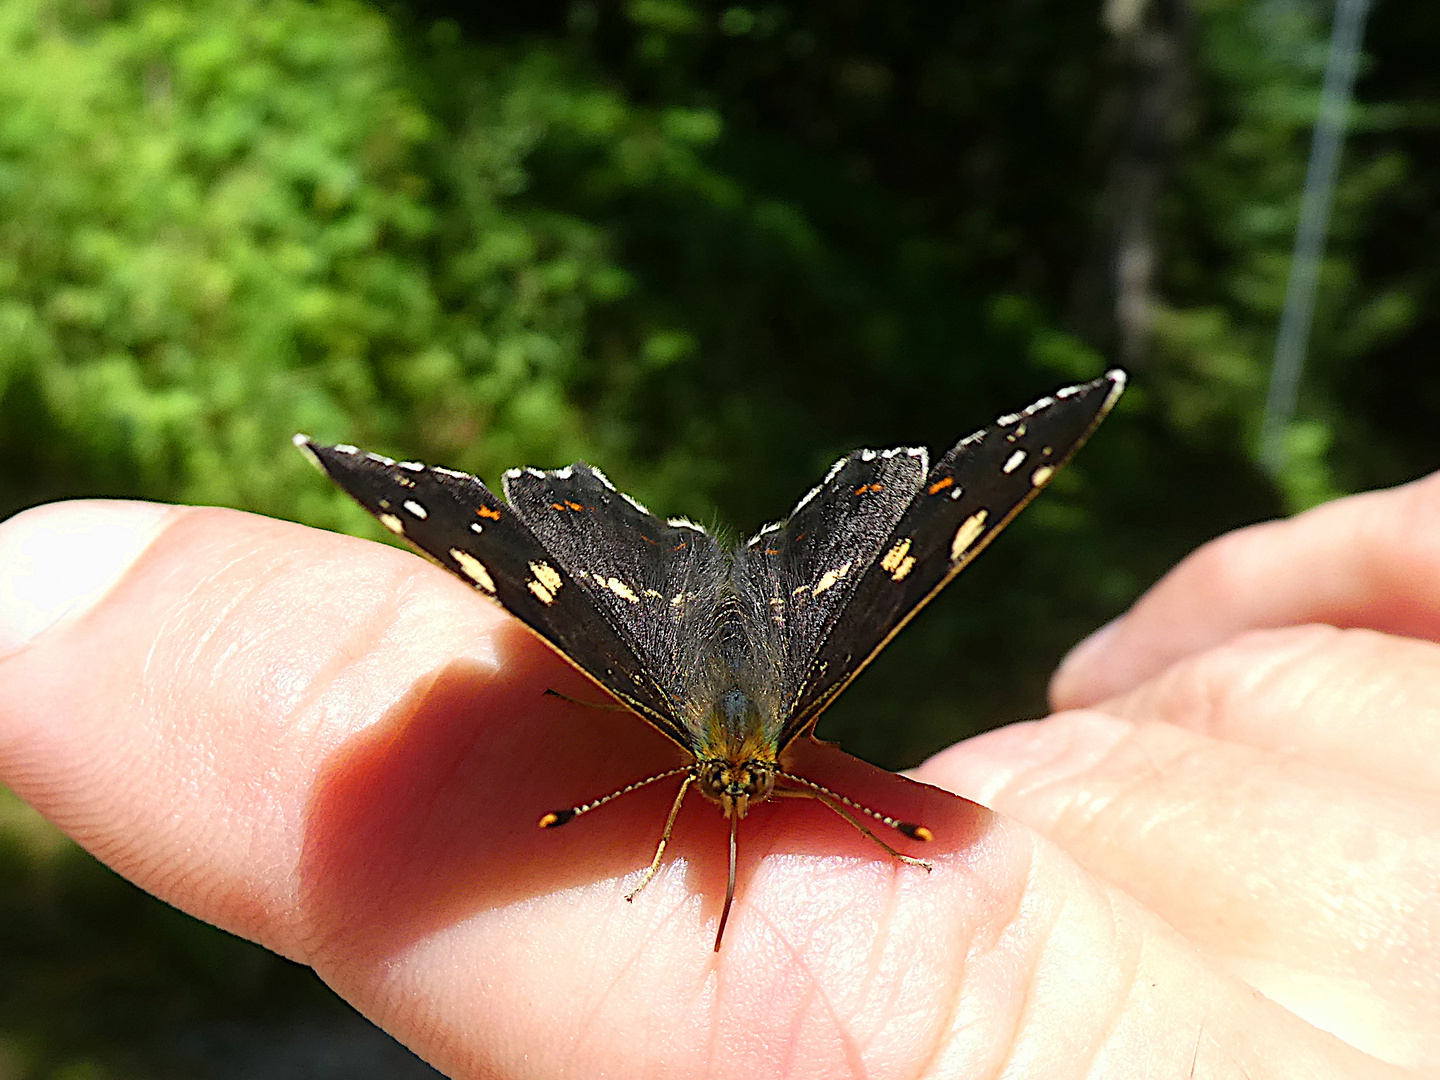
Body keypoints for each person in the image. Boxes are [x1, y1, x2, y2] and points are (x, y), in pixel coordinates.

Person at [0, 474, 1434, 1078]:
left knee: (881, 580)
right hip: (749, 621)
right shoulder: (721, 738)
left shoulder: (707, 742)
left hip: (677, 620)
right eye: (727, 790)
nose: (731, 793)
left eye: (734, 791)